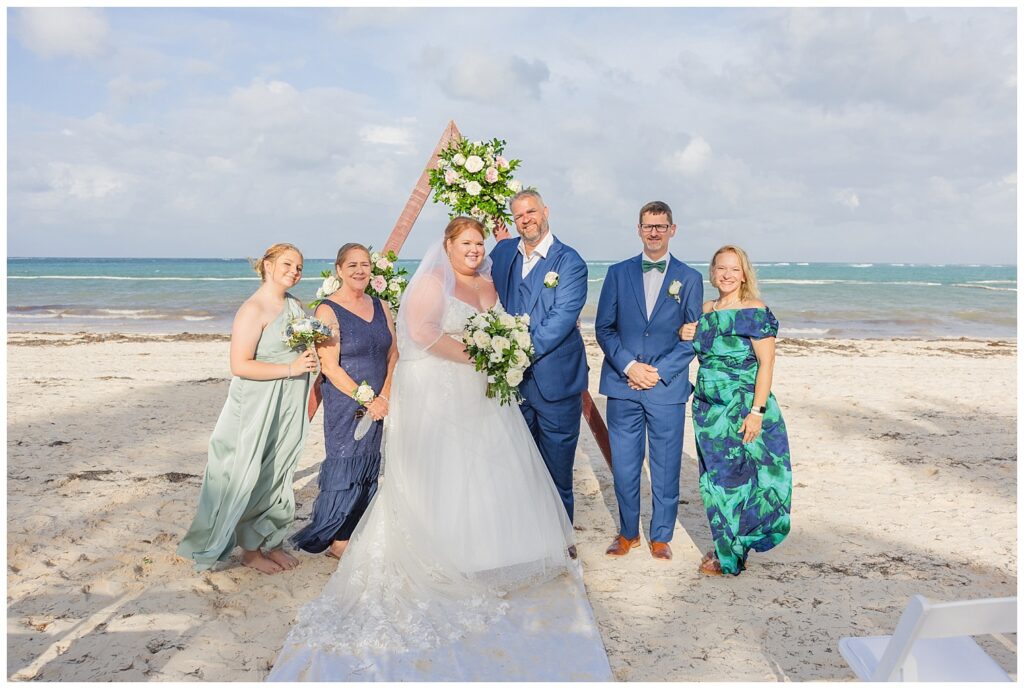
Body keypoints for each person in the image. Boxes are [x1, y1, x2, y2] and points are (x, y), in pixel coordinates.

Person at [268, 217, 609, 681]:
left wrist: (497, 353)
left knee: (488, 469)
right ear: (448, 246)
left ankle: (488, 551)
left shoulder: (489, 281)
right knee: (446, 468)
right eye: (466, 242)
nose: (474, 249)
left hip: (481, 390)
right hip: (438, 388)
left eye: (478, 243)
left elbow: (500, 326)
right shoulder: (431, 281)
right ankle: (444, 551)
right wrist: (480, 356)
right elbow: (424, 333)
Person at [177, 243, 317, 574]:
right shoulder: (253, 309)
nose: (294, 271)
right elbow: (239, 365)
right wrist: (290, 369)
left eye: (299, 267)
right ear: (267, 265)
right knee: (244, 473)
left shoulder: (295, 306)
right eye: (287, 264)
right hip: (255, 404)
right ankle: (248, 552)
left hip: (288, 401)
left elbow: (302, 350)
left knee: (277, 470)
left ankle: (268, 541)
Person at [594, 201, 703, 561]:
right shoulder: (617, 273)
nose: (653, 232)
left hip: (666, 388)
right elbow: (604, 328)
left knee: (666, 465)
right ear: (638, 229)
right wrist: (629, 366)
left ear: (672, 229)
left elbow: (693, 338)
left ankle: (660, 535)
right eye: (647, 226)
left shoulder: (689, 279)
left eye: (660, 226)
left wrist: (658, 372)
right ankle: (627, 533)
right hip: (623, 385)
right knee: (624, 465)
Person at [678, 245, 792, 576]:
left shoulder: (755, 310)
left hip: (744, 407)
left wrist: (757, 411)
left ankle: (729, 557)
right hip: (708, 411)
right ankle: (730, 547)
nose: (727, 275)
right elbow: (693, 348)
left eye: (734, 269)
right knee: (716, 481)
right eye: (721, 268)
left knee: (746, 481)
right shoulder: (705, 310)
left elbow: (766, 363)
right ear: (712, 272)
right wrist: (683, 332)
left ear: (744, 274)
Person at [489, 190, 589, 533]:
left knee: (557, 475)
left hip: (556, 385)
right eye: (518, 215)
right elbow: (479, 286)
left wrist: (515, 352)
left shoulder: (570, 261)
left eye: (531, 212)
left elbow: (561, 321)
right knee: (518, 471)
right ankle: (527, 540)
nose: (526, 219)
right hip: (513, 388)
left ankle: (561, 545)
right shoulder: (504, 253)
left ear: (545, 211)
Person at [289, 243, 397, 559]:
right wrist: (368, 399)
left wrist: (385, 395)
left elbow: (393, 354)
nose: (360, 270)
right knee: (346, 461)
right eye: (352, 265)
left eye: (365, 264)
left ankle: (351, 533)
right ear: (339, 270)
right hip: (347, 402)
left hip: (380, 402)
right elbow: (330, 366)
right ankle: (336, 538)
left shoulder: (382, 306)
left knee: (368, 463)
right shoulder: (328, 310)